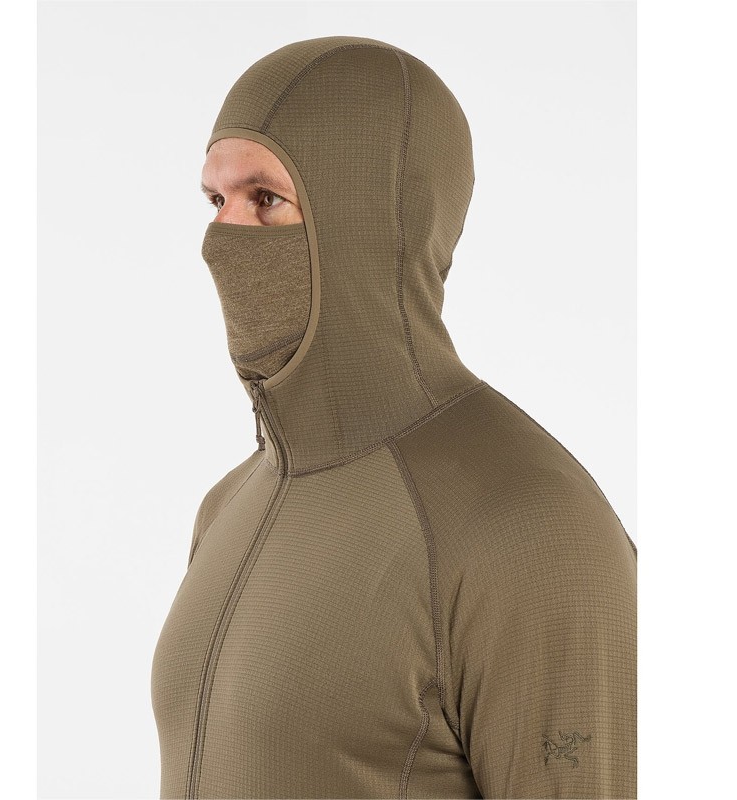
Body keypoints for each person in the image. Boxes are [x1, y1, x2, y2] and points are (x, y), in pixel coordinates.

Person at [151, 35, 637, 800]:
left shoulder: (531, 523)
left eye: (265, 199)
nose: (222, 240)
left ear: (370, 223)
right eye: (216, 201)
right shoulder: (227, 507)